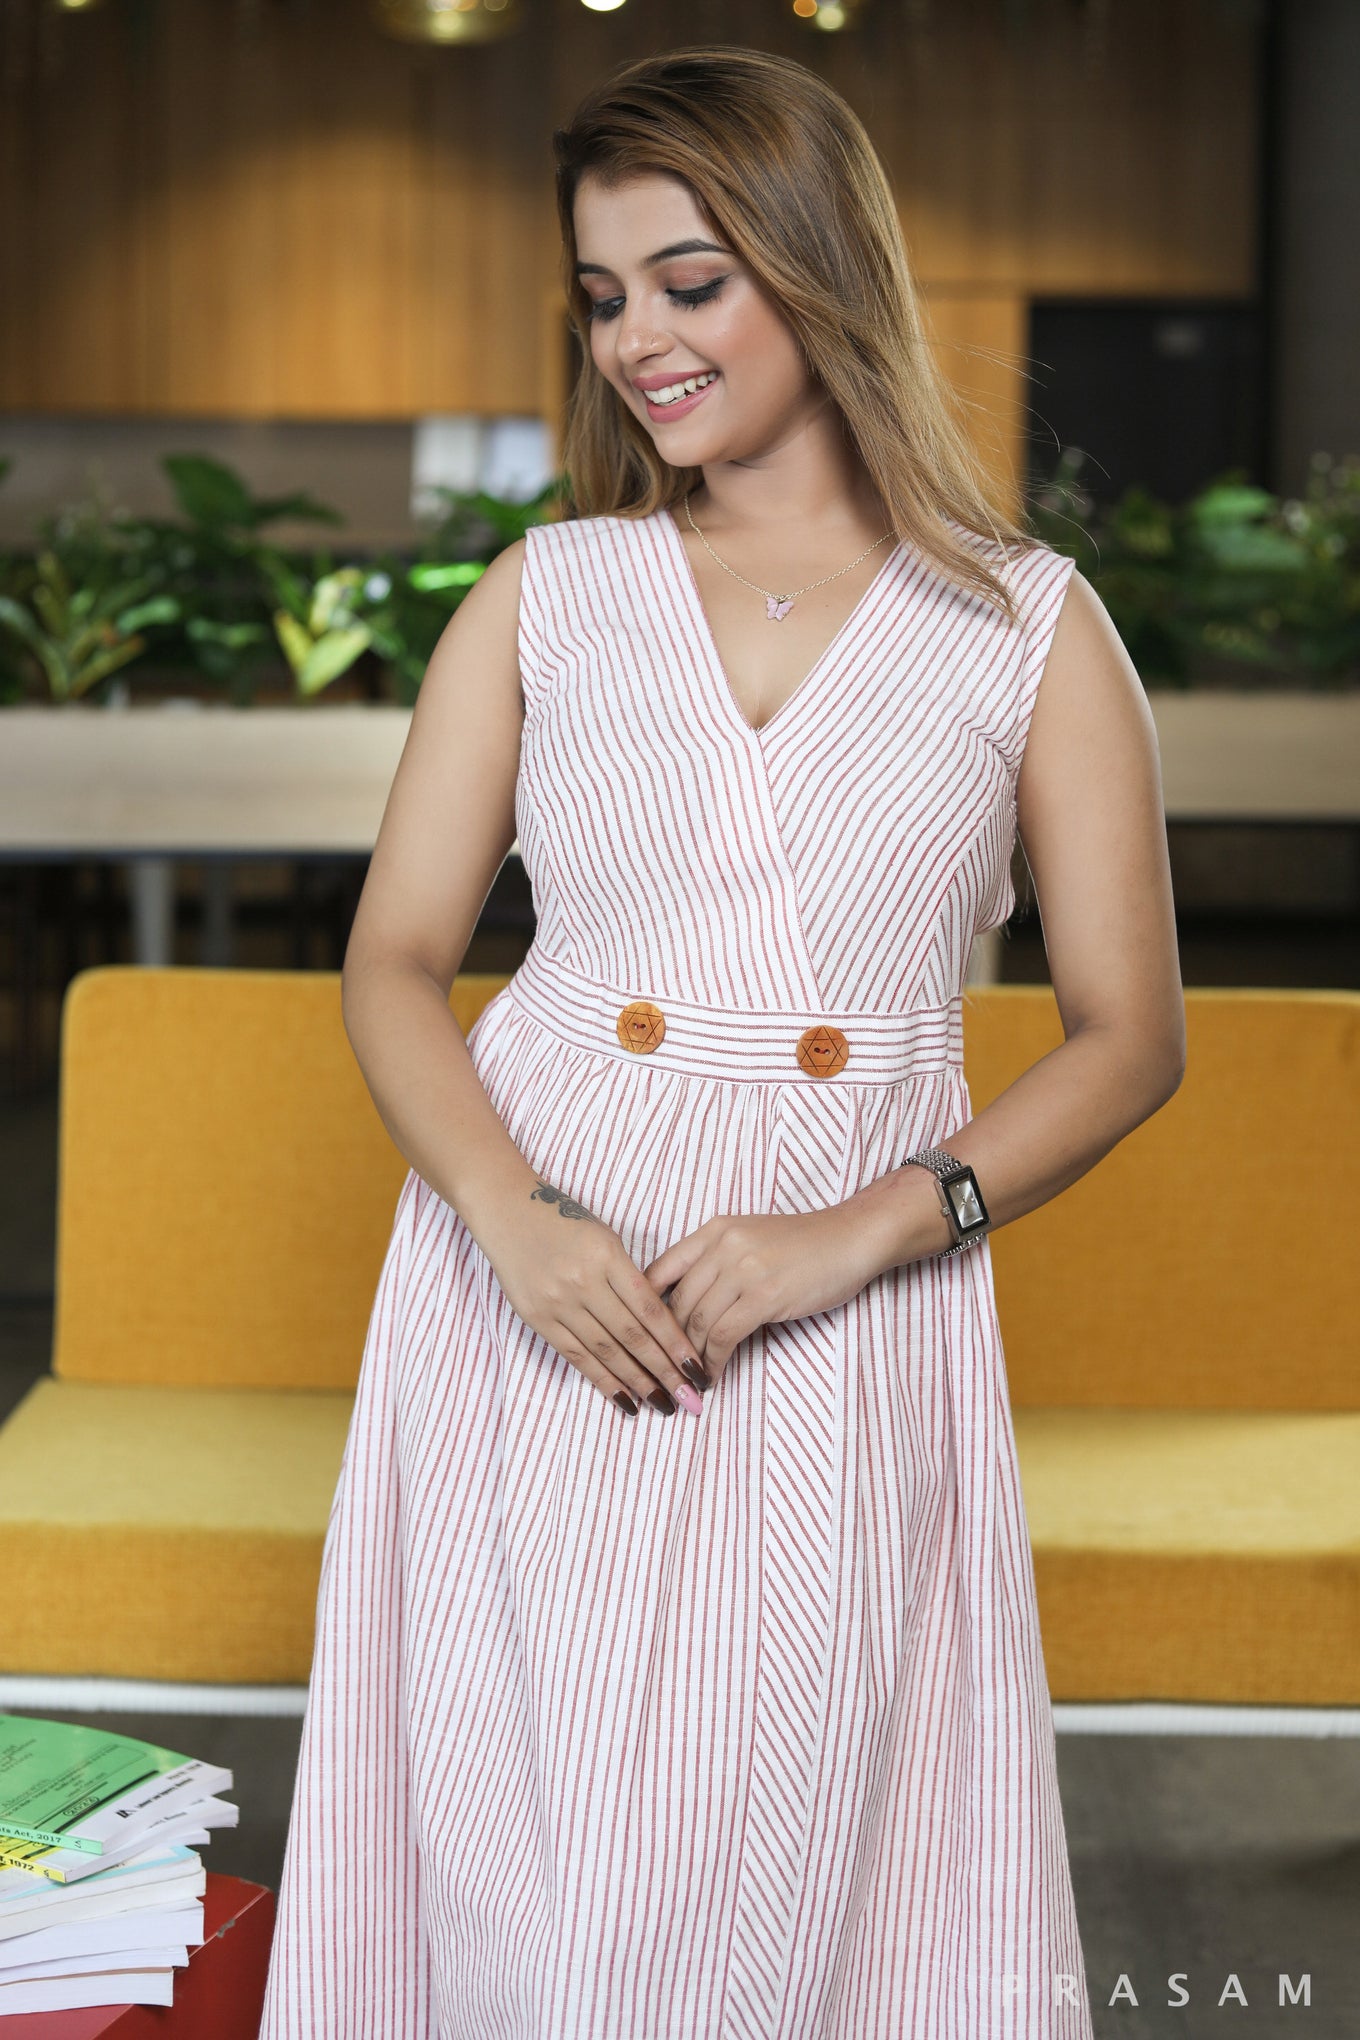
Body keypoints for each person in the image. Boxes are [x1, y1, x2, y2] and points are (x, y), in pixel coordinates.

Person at [260, 43, 1184, 2040]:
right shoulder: (547, 595)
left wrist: (864, 1229)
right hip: (536, 1271)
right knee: (533, 1860)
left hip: (840, 1302)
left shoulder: (1025, 627)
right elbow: (394, 958)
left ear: (812, 263)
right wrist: (512, 1223)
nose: (637, 344)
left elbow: (1124, 1039)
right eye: (602, 299)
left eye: (687, 282)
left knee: (792, 1863)